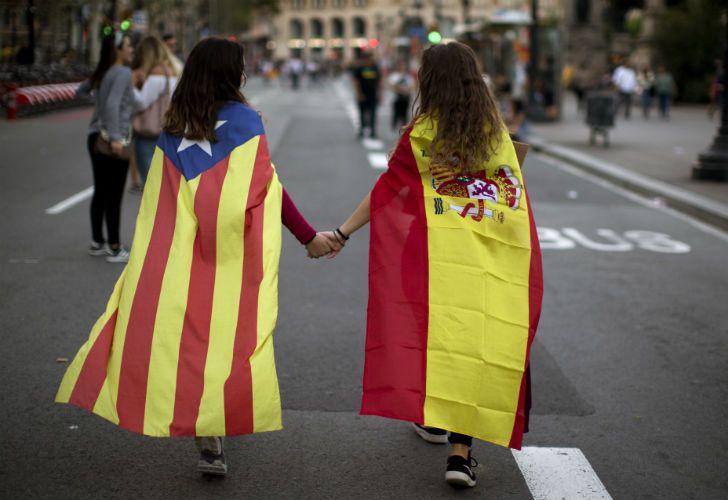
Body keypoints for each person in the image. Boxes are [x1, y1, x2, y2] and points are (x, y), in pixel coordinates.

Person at [56, 37, 341, 478]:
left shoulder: (175, 125)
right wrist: (307, 237)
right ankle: (213, 423)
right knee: (225, 339)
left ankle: (206, 436)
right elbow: (266, 190)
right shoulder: (247, 122)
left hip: (175, 254)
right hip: (229, 253)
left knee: (182, 339)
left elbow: (161, 199)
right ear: (233, 73)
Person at [326, 42, 542, 489]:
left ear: (430, 81)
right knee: (479, 348)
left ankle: (434, 416)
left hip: (435, 261)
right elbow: (513, 193)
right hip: (492, 261)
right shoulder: (495, 131)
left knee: (441, 340)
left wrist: (343, 232)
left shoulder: (423, 133)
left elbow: (389, 191)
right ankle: (460, 455)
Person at [75, 31, 135, 263]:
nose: (131, 50)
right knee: (114, 193)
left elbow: (80, 92)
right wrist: (116, 137)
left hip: (94, 137)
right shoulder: (121, 72)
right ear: (117, 50)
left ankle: (97, 242)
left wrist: (96, 107)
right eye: (128, 46)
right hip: (111, 140)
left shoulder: (103, 72)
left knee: (101, 190)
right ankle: (115, 246)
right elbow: (112, 104)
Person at [131, 35, 178, 186]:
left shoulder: (156, 73)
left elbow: (141, 102)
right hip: (166, 132)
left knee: (150, 186)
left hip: (148, 134)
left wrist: (132, 85)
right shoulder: (170, 71)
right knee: (162, 186)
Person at [352, 51, 382, 138]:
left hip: (372, 94)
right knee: (362, 113)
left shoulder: (375, 68)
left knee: (373, 113)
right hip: (362, 94)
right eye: (368, 58)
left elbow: (379, 81)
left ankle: (372, 131)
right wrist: (358, 94)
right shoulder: (360, 68)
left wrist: (380, 94)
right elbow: (356, 82)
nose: (369, 60)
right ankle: (361, 130)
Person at [388, 60, 415, 133]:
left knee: (405, 114)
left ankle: (404, 130)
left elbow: (412, 86)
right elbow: (392, 85)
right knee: (396, 113)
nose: (402, 67)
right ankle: (393, 129)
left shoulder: (408, 76)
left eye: (403, 65)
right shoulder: (394, 76)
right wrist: (400, 90)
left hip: (406, 98)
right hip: (396, 98)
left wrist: (406, 91)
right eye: (401, 65)